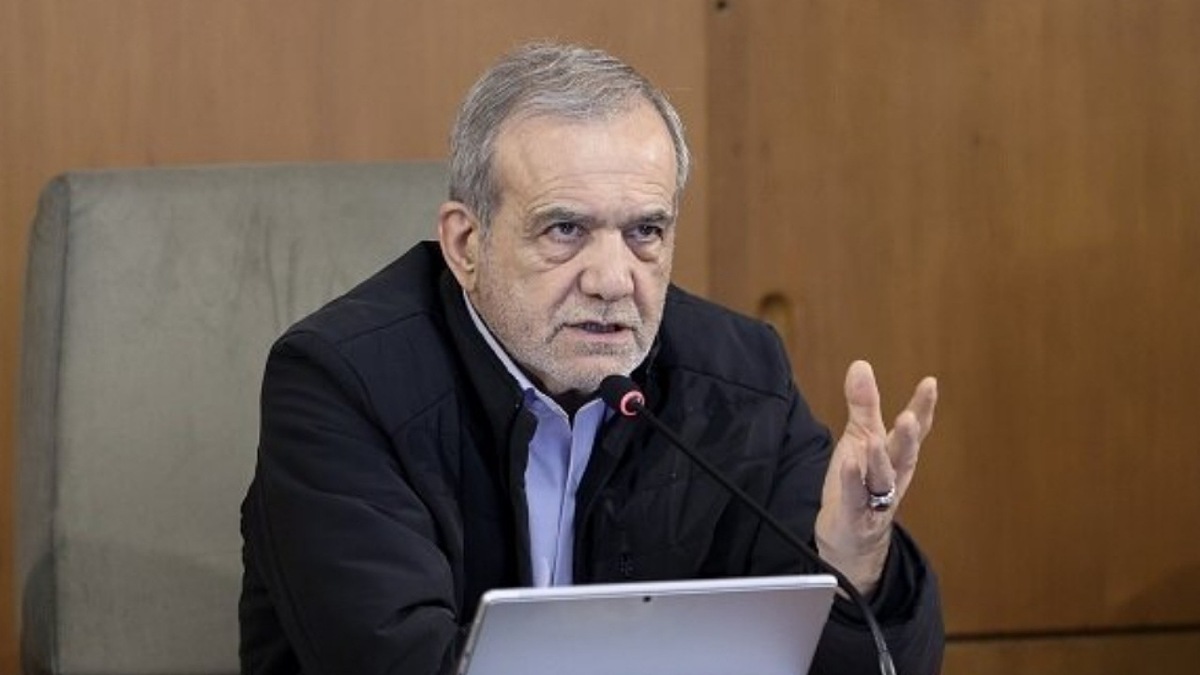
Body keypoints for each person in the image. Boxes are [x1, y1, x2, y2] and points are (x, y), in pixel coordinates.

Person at [239, 42, 944, 675]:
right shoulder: (341, 385)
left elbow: (882, 664)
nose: (612, 280)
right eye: (565, 229)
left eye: (645, 231)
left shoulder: (739, 377)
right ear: (466, 245)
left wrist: (853, 559)